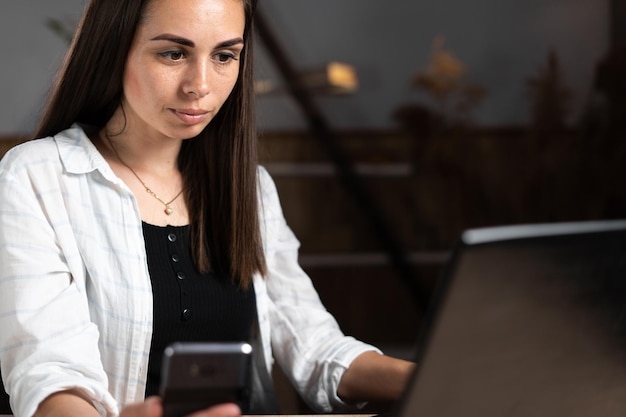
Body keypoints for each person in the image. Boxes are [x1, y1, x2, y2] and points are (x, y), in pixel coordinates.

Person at [0, 0, 415, 416]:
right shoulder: (37, 177)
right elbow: (49, 372)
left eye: (224, 56)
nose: (200, 84)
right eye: (174, 53)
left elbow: (315, 345)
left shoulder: (250, 189)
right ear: (113, 49)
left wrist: (426, 377)